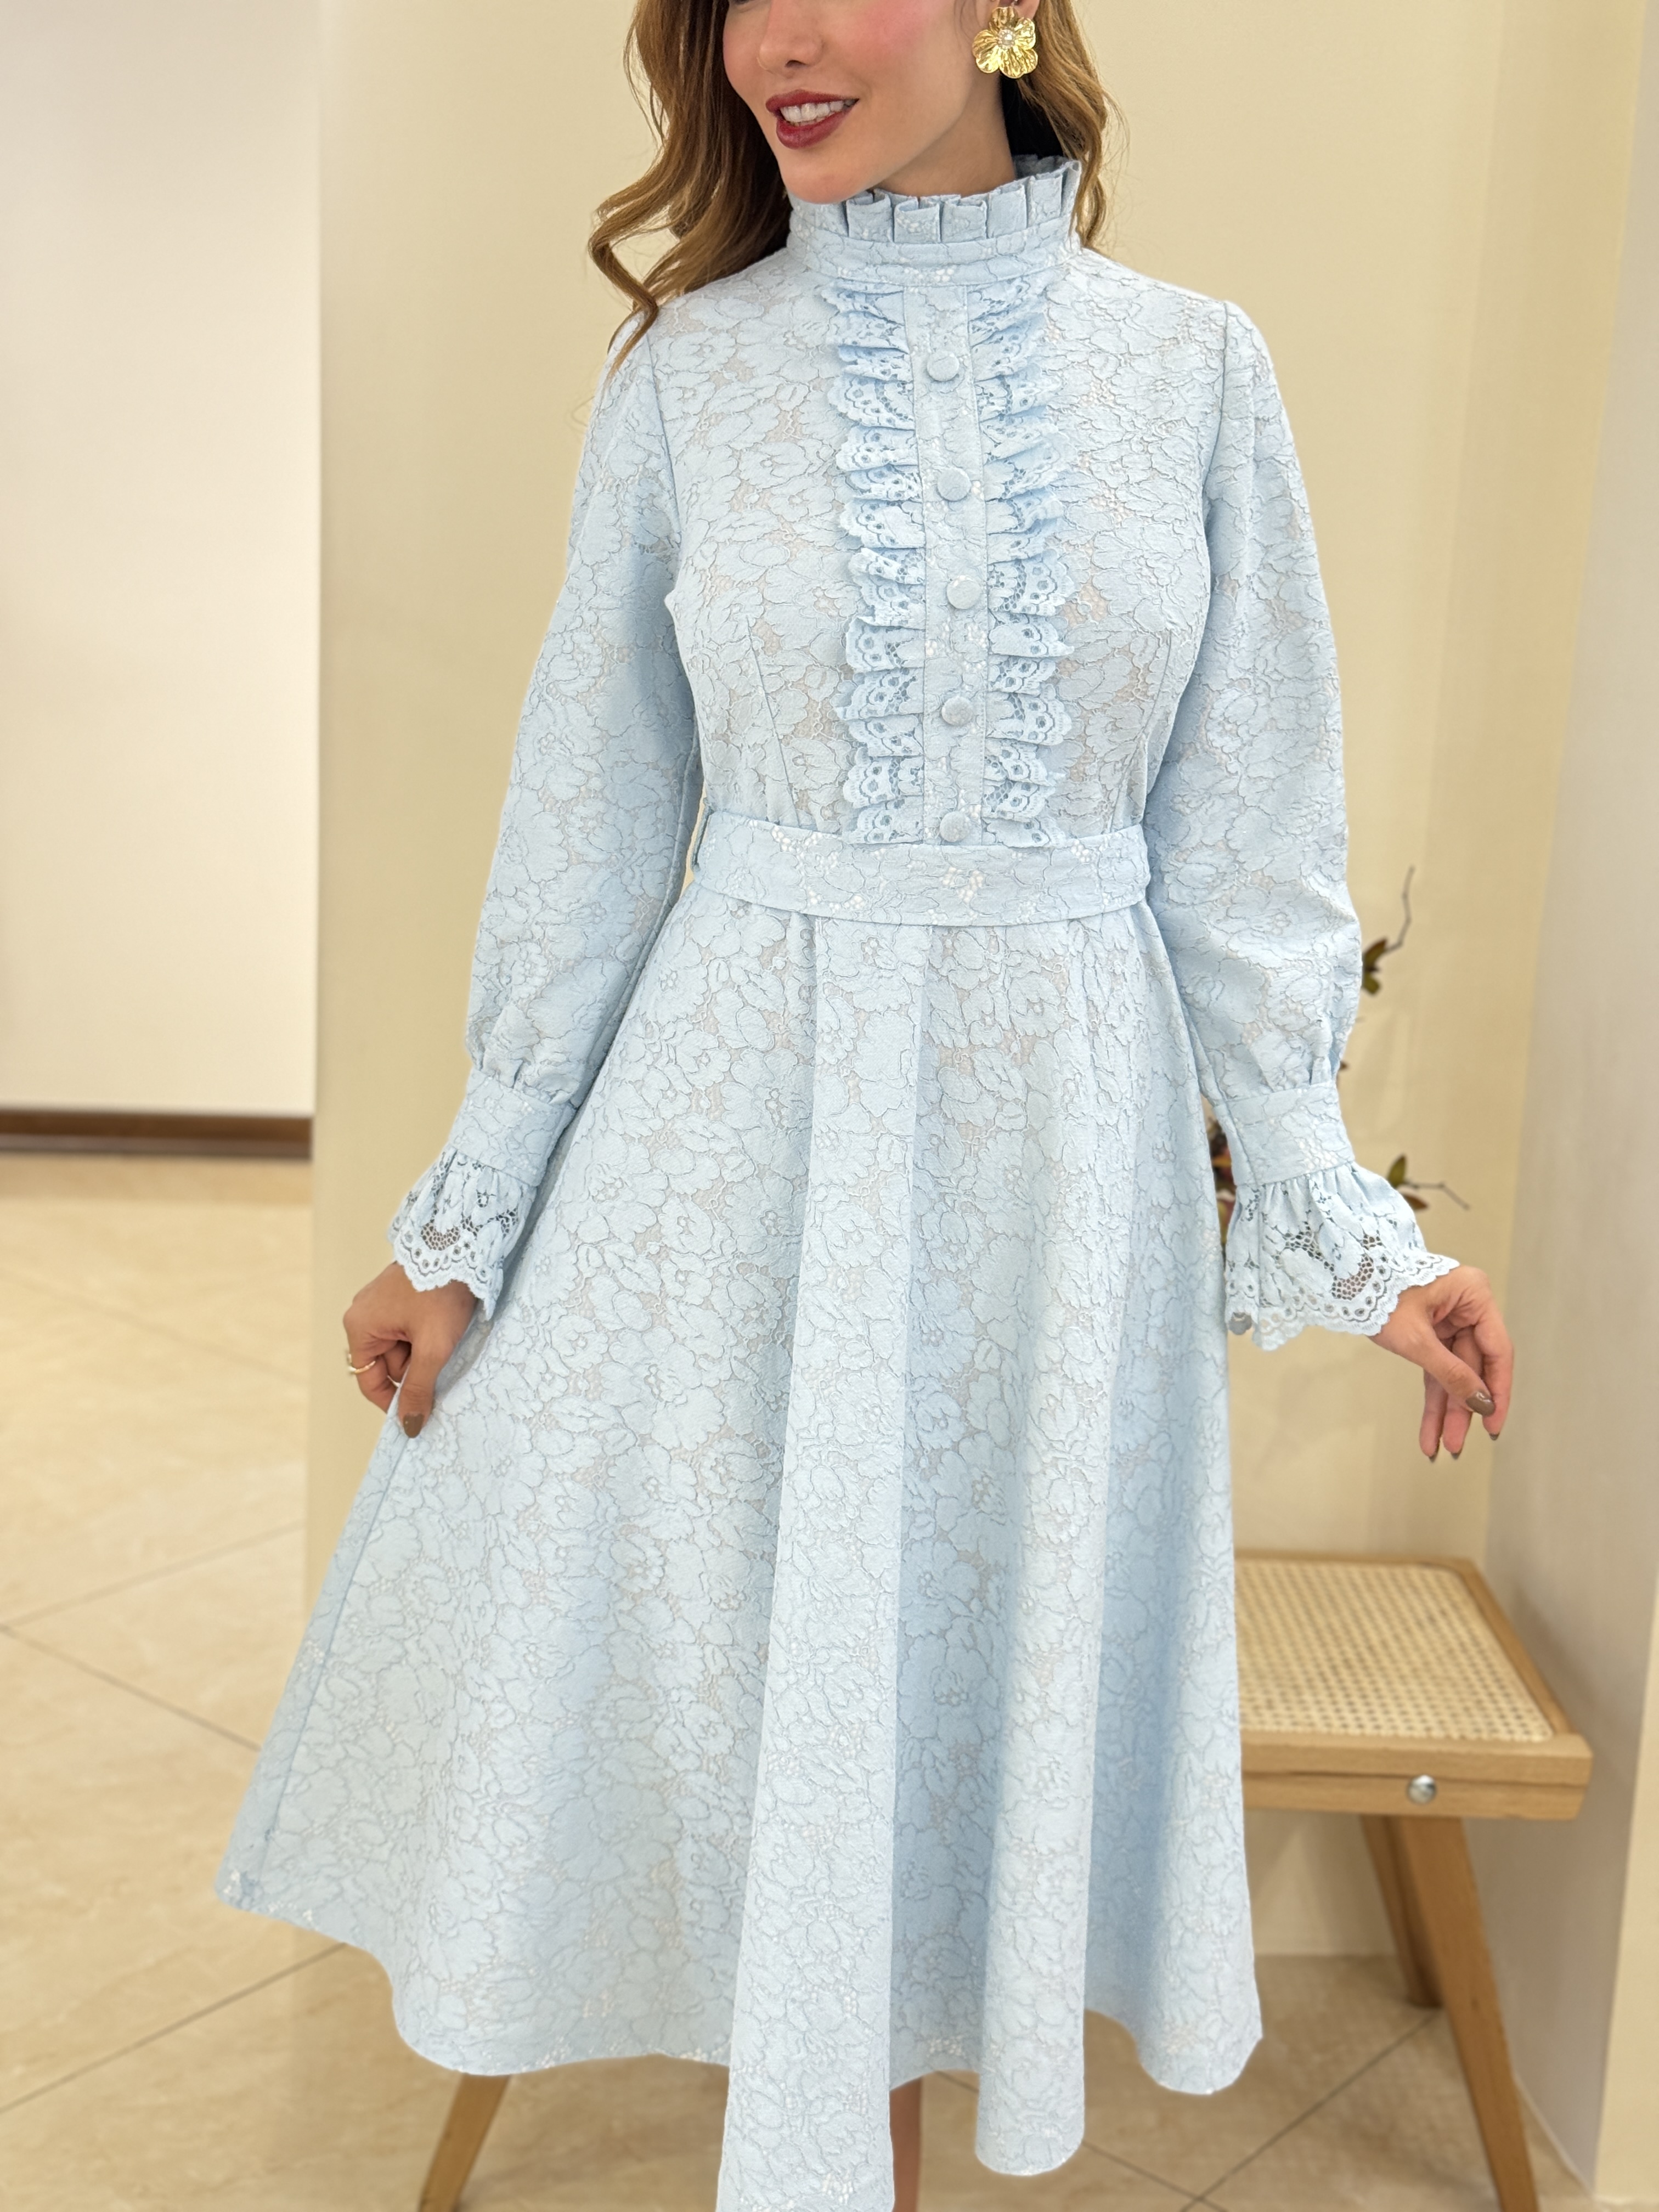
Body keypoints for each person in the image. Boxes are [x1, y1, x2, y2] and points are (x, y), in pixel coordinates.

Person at [219, 4, 1514, 2208]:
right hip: (735, 1161)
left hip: (1060, 1188)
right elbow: (591, 822)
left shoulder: (1195, 373)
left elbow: (1249, 852)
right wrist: (468, 1216)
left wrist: (1348, 1231)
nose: (777, 45)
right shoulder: (687, 379)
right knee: (767, 1744)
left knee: (955, 1742)